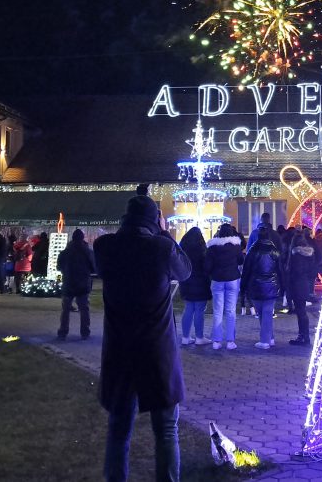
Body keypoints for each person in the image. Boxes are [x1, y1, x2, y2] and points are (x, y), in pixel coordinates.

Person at [94, 195, 191, 482]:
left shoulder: (105, 247)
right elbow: (185, 271)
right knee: (166, 430)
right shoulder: (160, 247)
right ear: (154, 219)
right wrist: (164, 232)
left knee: (118, 429)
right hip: (156, 350)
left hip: (120, 350)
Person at [241, 224, 282, 349]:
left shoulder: (252, 251)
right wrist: (282, 286)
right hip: (271, 285)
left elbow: (246, 270)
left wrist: (243, 286)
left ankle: (265, 340)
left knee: (263, 313)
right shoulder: (274, 251)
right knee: (267, 313)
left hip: (256, 285)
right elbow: (280, 270)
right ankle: (269, 338)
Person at [205, 223, 243, 350]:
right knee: (231, 311)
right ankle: (230, 341)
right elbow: (240, 261)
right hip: (232, 279)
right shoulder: (236, 246)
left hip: (217, 280)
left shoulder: (212, 247)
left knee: (218, 311)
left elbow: (207, 266)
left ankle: (216, 341)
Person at [58, 229, 97, 340]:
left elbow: (59, 266)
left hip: (68, 282)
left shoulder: (65, 252)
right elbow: (93, 267)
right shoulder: (87, 251)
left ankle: (63, 331)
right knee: (84, 309)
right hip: (83, 283)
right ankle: (85, 331)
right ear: (82, 238)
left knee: (66, 309)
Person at [285, 230, 321, 346]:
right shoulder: (310, 255)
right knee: (302, 312)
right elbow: (313, 270)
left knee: (300, 312)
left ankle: (303, 337)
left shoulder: (296, 256)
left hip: (297, 285)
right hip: (305, 284)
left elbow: (295, 271)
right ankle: (303, 336)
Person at [177, 227, 211, 345]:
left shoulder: (182, 249)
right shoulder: (202, 249)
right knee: (199, 311)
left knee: (188, 309)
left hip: (186, 282)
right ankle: (199, 337)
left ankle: (185, 337)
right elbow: (207, 267)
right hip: (201, 283)